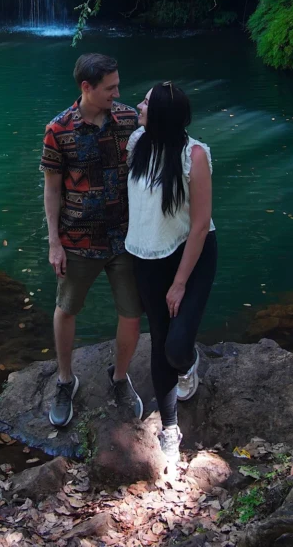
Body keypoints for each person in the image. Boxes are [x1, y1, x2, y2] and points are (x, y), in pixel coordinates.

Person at [40, 53, 144, 427]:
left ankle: (119, 379)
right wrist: (54, 243)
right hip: (77, 238)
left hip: (127, 239)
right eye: (110, 88)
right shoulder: (58, 130)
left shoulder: (130, 120)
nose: (117, 93)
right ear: (87, 87)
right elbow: (52, 190)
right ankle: (66, 380)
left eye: (117, 86)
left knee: (132, 313)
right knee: (66, 309)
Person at [125, 81, 217, 464]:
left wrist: (179, 283)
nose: (138, 106)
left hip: (190, 257)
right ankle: (170, 428)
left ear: (161, 114)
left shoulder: (193, 155)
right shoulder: (137, 143)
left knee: (176, 349)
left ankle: (189, 361)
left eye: (145, 102)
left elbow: (199, 225)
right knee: (160, 341)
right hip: (145, 259)